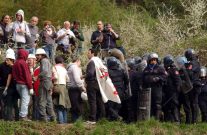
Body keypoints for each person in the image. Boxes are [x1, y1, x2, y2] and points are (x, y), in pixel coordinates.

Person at [142, 53, 167, 120]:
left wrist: (158, 78)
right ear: (149, 60)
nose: (153, 61)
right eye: (152, 60)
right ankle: (150, 118)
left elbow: (165, 76)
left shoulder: (160, 68)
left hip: (157, 88)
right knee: (149, 103)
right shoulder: (146, 69)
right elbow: (143, 77)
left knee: (157, 104)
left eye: (155, 60)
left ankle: (157, 119)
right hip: (148, 88)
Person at [84, 48, 105, 124]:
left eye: (88, 53)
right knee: (99, 101)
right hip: (98, 84)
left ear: (92, 53)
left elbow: (90, 73)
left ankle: (92, 119)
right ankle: (102, 118)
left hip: (92, 84)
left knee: (92, 101)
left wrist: (83, 76)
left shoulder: (92, 62)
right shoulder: (99, 61)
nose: (87, 54)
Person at [12, 48, 33, 121]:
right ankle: (23, 116)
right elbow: (27, 76)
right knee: (25, 100)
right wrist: (30, 87)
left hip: (18, 84)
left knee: (22, 100)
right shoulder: (23, 63)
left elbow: (13, 75)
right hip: (24, 84)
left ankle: (22, 115)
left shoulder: (15, 63)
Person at [35, 48, 56, 122]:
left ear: (42, 55)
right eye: (36, 55)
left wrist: (37, 76)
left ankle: (43, 118)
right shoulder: (47, 61)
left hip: (44, 82)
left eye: (38, 55)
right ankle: (53, 118)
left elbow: (45, 71)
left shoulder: (43, 61)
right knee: (49, 101)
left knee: (42, 101)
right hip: (49, 82)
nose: (36, 56)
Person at [107, 57, 129, 121]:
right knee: (117, 106)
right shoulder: (121, 71)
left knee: (110, 106)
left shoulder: (108, 72)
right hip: (120, 91)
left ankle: (116, 117)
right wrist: (124, 88)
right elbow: (127, 81)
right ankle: (115, 119)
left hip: (112, 91)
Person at [162, 55, 181, 123]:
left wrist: (177, 90)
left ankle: (177, 120)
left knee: (174, 105)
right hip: (168, 91)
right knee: (168, 106)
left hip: (173, 92)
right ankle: (169, 120)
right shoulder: (167, 70)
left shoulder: (174, 69)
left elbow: (177, 80)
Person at [0, 52, 19, 121]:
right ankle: (9, 118)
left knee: (12, 104)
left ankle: (12, 119)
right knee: (9, 103)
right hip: (9, 88)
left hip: (13, 88)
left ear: (12, 60)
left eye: (8, 60)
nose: (6, 61)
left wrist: (7, 87)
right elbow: (9, 78)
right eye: (6, 59)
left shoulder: (14, 67)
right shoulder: (3, 66)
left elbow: (9, 78)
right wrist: (6, 87)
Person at [184, 48, 201, 124]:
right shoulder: (192, 62)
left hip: (194, 85)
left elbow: (190, 73)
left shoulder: (194, 63)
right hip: (191, 85)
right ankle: (191, 121)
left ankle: (194, 121)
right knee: (191, 103)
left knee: (194, 103)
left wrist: (185, 70)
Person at [52, 56, 70, 124]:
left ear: (55, 61)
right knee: (64, 106)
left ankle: (61, 122)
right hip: (64, 87)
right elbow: (68, 79)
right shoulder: (64, 69)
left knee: (58, 105)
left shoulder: (54, 67)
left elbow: (55, 77)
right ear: (62, 62)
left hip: (57, 86)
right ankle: (65, 122)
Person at [67, 56, 85, 122]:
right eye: (80, 62)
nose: (80, 64)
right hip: (75, 88)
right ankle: (77, 121)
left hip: (72, 88)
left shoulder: (71, 67)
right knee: (77, 105)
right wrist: (83, 87)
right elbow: (77, 79)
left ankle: (75, 121)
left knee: (75, 105)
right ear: (77, 61)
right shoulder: (74, 67)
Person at [175, 56, 193, 124]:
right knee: (178, 106)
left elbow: (187, 82)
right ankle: (178, 121)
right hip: (181, 91)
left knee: (187, 107)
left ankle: (188, 122)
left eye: (179, 63)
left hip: (186, 91)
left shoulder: (186, 71)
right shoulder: (179, 71)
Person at [27, 54, 39, 120]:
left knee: (36, 104)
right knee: (28, 103)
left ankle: (35, 118)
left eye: (30, 60)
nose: (29, 62)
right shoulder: (26, 67)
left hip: (35, 88)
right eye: (28, 60)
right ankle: (28, 116)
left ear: (35, 60)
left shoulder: (37, 68)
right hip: (28, 88)